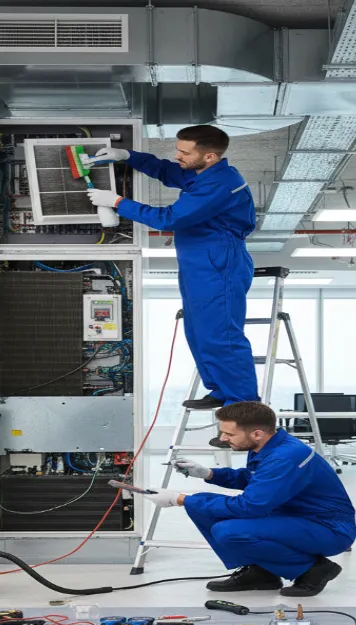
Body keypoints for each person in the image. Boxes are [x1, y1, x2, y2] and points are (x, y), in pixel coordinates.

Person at [85, 126, 258, 448]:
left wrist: (119, 202)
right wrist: (130, 157)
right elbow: (168, 171)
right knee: (197, 330)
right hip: (200, 263)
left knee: (223, 336)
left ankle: (246, 419)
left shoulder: (220, 183)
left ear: (208, 155)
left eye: (184, 152)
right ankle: (220, 389)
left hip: (218, 262)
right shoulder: (205, 172)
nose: (177, 156)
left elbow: (168, 219)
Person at [136, 402, 356, 597]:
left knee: (227, 530)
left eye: (229, 435)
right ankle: (262, 572)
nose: (222, 439)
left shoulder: (285, 457)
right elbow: (254, 479)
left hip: (328, 529)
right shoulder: (268, 446)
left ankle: (313, 569)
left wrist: (179, 499)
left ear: (257, 433)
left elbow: (250, 506)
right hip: (294, 518)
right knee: (201, 505)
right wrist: (208, 473)